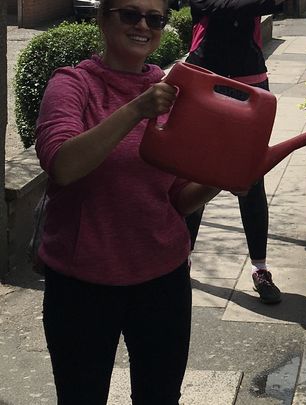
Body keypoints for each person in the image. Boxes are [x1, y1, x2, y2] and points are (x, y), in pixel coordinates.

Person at [35, 0, 223, 403]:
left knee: (160, 396)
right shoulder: (72, 85)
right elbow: (62, 166)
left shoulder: (173, 91)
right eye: (130, 14)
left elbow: (178, 198)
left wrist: (222, 178)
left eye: (155, 19)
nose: (143, 25)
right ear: (102, 18)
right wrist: (136, 109)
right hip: (82, 283)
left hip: (162, 279)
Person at [185, 0, 287, 305]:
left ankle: (260, 269)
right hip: (202, 80)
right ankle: (180, 260)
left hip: (250, 84)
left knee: (251, 178)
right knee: (193, 174)